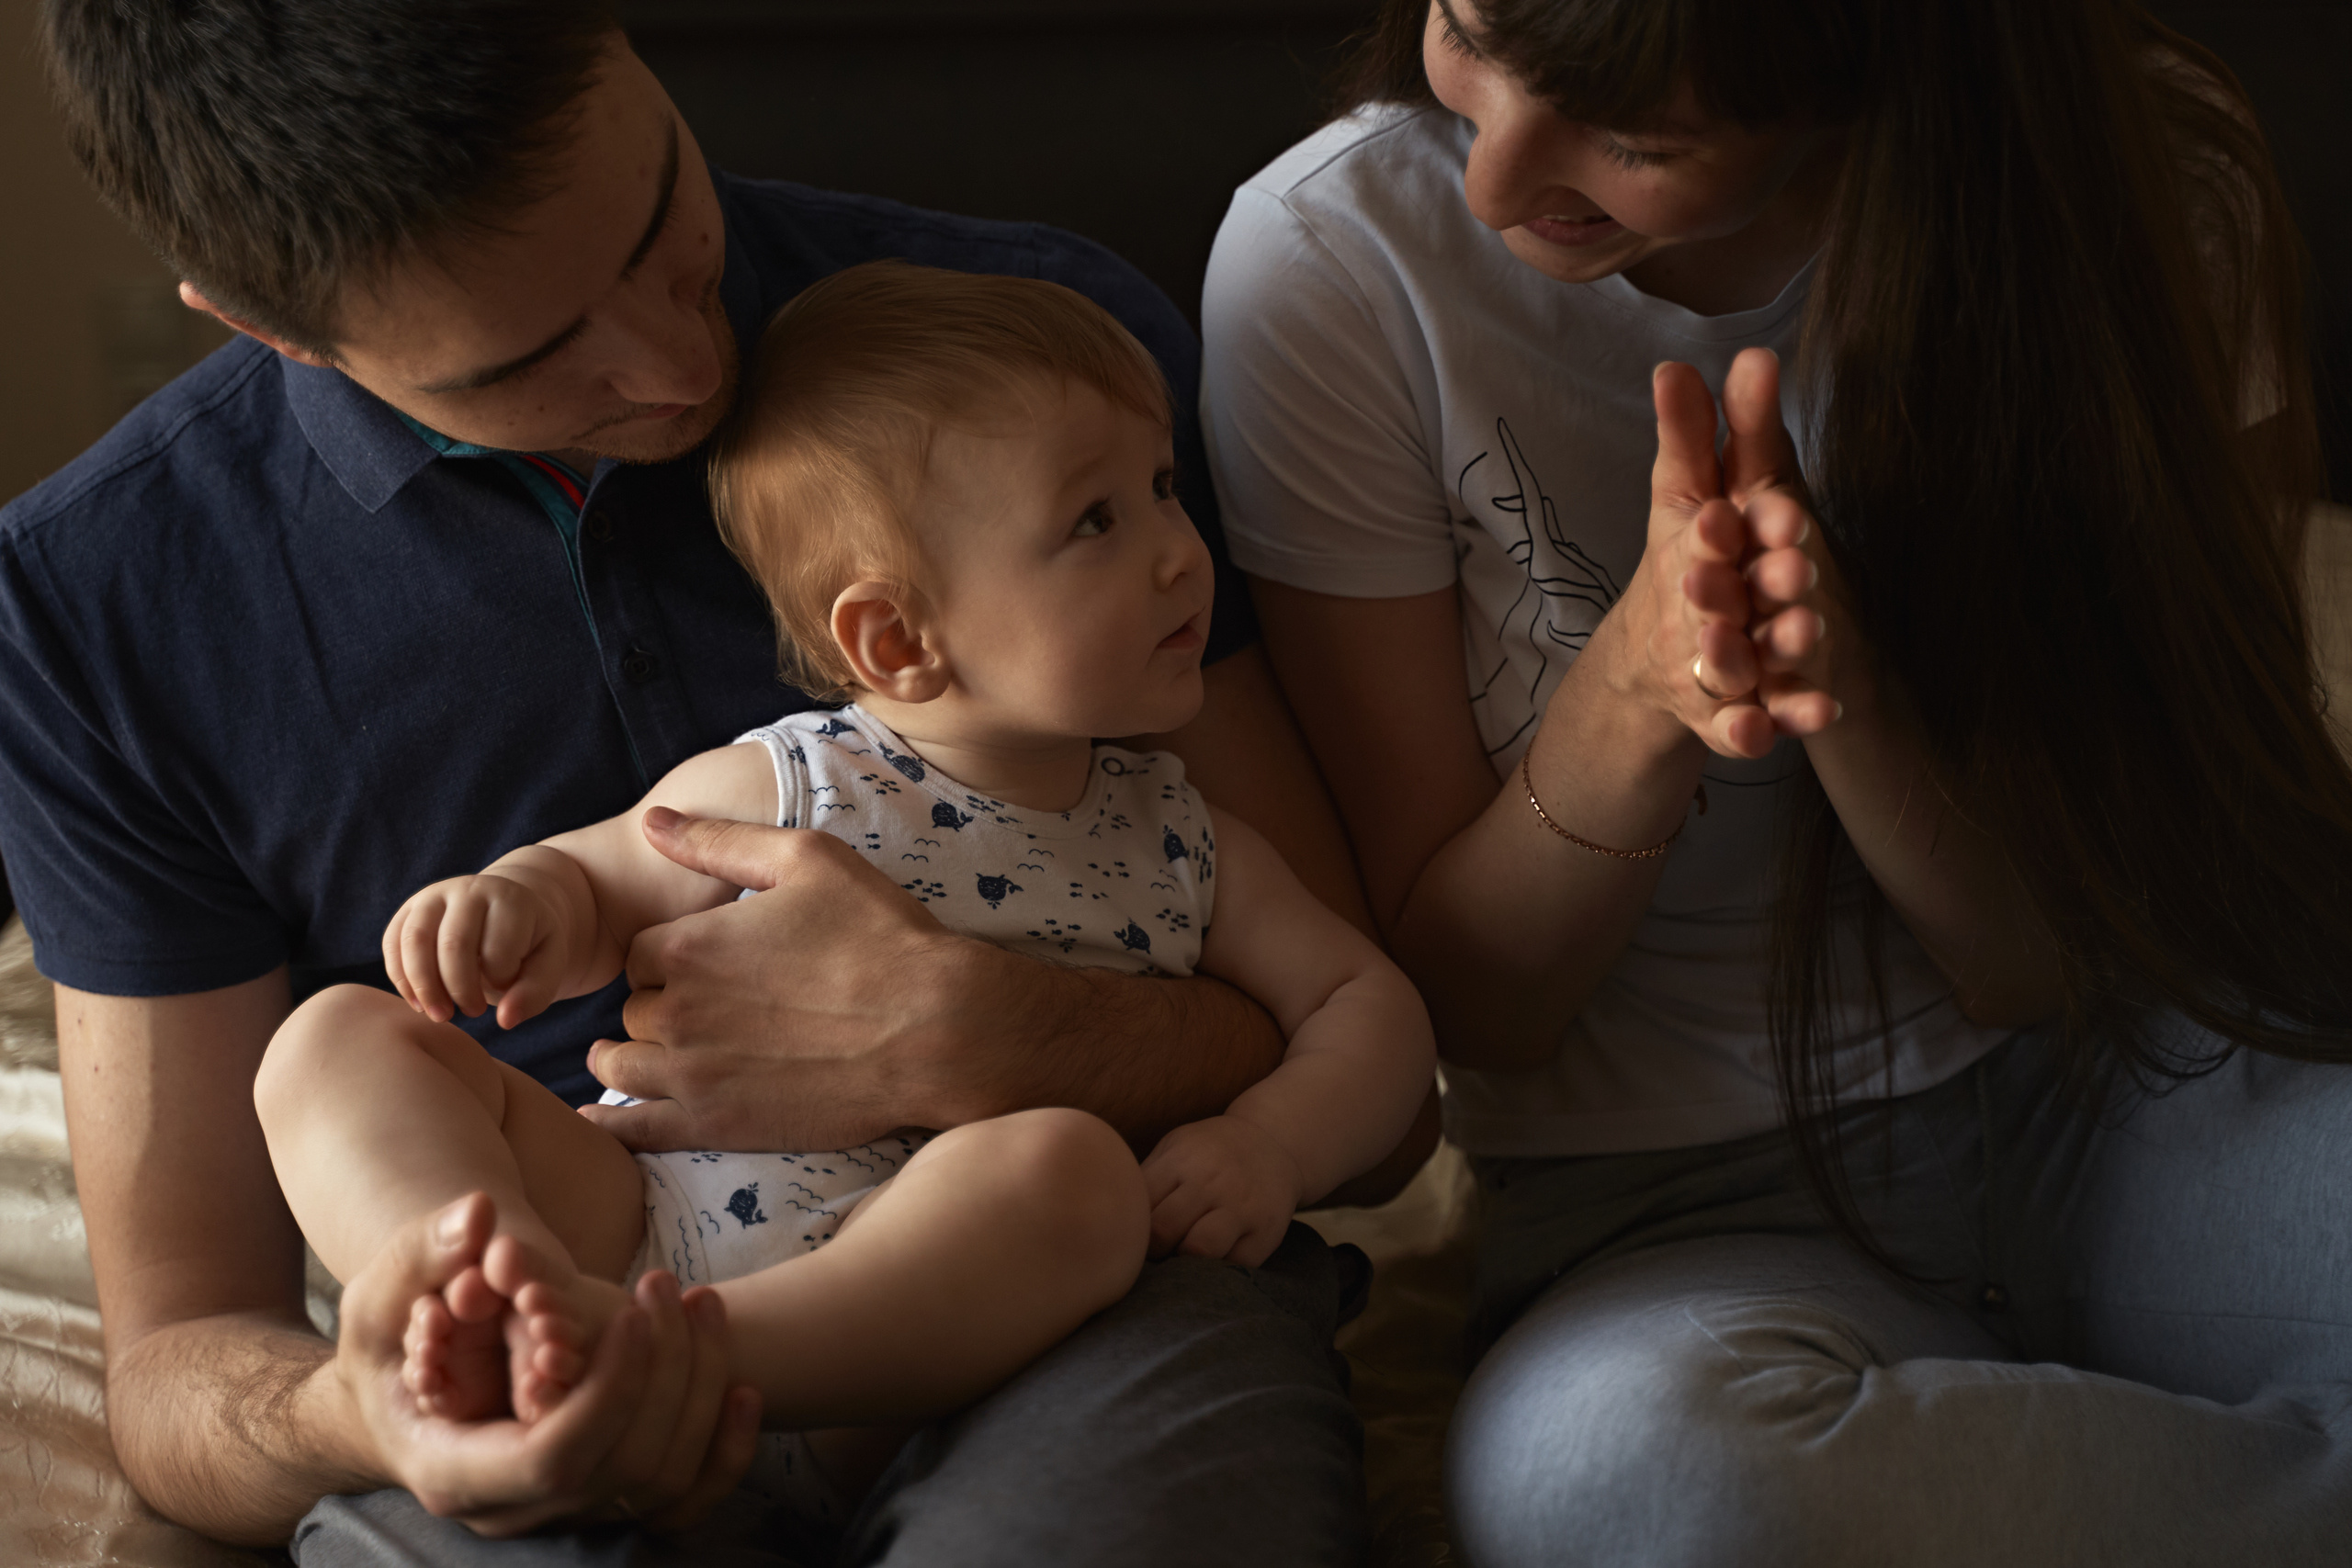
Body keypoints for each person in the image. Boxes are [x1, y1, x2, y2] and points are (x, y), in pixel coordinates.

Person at [5, 3, 1430, 1560]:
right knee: (340, 1051)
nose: (686, 367)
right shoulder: (94, 600)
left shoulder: (1033, 364)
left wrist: (990, 1036)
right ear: (267, 323)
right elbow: (178, 1362)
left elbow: (1383, 1093)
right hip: (597, 1250)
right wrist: (379, 1413)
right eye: (532, 357)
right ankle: (478, 1322)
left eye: (662, 225)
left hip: (1078, 1284)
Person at [1202, 0, 2352, 1561]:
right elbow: (1474, 1014)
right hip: (1677, 1213)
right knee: (1636, 1481)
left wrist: (1848, 690)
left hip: (2144, 1082)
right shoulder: (1334, 266)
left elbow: (2036, 962)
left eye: (1636, 140)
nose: (1495, 174)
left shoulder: (2138, 182)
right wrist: (1639, 690)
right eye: (1467, 26)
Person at [254, 264, 1433, 1525]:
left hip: (884, 1353)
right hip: (640, 1225)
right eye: (1096, 520)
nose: (1177, 555)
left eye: (1162, 490)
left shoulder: (1186, 839)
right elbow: (600, 873)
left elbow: (1374, 1011)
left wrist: (1269, 1143)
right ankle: (484, 1294)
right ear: (894, 641)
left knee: (1075, 1179)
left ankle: (677, 1366)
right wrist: (512, 906)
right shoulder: (795, 782)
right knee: (332, 1039)